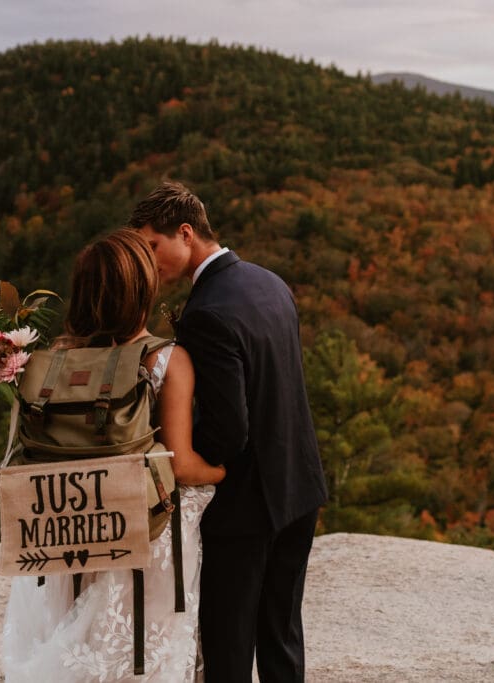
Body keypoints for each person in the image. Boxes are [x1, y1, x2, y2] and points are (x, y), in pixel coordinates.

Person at [2, 229, 226, 682]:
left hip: (73, 532)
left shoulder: (52, 363)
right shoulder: (165, 360)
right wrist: (222, 470)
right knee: (144, 653)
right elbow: (179, 465)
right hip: (145, 536)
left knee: (81, 645)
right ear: (144, 291)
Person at [129, 181, 329, 682]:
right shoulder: (270, 282)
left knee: (228, 643)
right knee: (281, 634)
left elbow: (230, 426)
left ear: (186, 232)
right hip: (300, 487)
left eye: (152, 247)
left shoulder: (207, 313)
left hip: (245, 505)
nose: (150, 262)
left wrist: (198, 465)